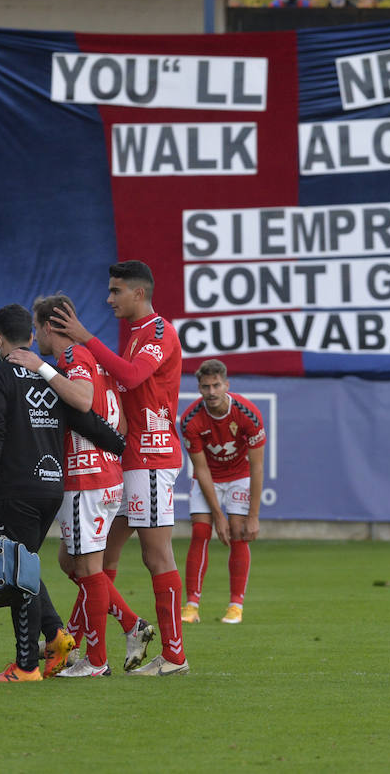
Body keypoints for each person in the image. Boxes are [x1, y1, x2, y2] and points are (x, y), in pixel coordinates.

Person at [0, 303, 125, 683]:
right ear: (32, 337)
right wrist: (119, 444)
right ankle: (55, 636)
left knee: (17, 574)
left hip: (16, 490)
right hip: (53, 489)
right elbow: (85, 420)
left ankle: (25, 666)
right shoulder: (51, 377)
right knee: (25, 568)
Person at [50, 260, 189, 676]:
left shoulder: (159, 332)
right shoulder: (134, 336)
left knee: (156, 556)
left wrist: (85, 338)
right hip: (128, 458)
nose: (109, 299)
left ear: (138, 293)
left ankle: (175, 656)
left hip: (151, 456)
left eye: (116, 291)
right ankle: (107, 636)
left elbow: (131, 374)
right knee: (86, 562)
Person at [7, 294, 148, 677]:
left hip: (87, 478)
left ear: (50, 327)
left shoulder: (72, 359)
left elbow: (83, 401)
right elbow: (116, 425)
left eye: (37, 329)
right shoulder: (93, 361)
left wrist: (40, 367)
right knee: (70, 561)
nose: (36, 337)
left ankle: (96, 661)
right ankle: (131, 624)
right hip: (101, 475)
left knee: (87, 567)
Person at [179, 359, 266, 625]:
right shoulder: (190, 420)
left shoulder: (248, 414)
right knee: (201, 531)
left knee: (239, 534)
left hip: (240, 476)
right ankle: (192, 605)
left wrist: (254, 516)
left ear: (226, 385)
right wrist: (218, 515)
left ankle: (235, 606)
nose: (212, 392)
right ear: (199, 388)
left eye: (216, 385)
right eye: (206, 387)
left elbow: (257, 466)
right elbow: (201, 469)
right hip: (210, 478)